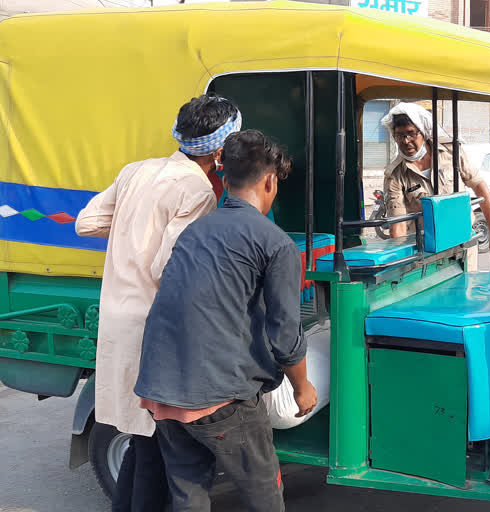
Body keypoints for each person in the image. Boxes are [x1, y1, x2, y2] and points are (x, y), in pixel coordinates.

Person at [134, 130, 318, 512]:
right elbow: (285, 333)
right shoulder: (275, 243)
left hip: (162, 391)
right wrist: (303, 388)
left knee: (188, 494)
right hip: (220, 398)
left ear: (226, 179)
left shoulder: (194, 232)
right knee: (264, 494)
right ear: (270, 181)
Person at [75, 94, 241, 512]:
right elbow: (170, 266)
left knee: (144, 443)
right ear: (221, 151)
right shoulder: (199, 191)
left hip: (115, 320)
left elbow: (86, 222)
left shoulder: (137, 170)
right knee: (161, 447)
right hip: (153, 328)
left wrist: (131, 235)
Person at [381, 103, 490, 268]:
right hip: (426, 251)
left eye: (411, 134)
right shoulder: (395, 174)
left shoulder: (451, 152)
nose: (406, 141)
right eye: (399, 136)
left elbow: (480, 187)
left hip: (462, 242)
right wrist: (398, 266)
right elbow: (398, 226)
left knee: (466, 290)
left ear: (423, 132)